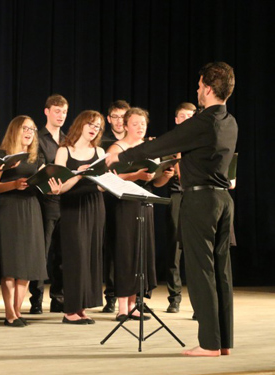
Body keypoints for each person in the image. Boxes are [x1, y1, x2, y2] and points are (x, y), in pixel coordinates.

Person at [106, 62, 237, 357]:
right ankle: (223, 341)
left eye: (199, 84)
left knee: (202, 271)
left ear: (207, 87)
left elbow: (161, 144)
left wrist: (121, 158)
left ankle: (209, 344)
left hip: (201, 201)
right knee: (221, 272)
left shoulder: (203, 121)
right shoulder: (230, 121)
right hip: (223, 201)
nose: (197, 89)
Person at [106, 107, 173, 322]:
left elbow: (155, 182)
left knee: (141, 251)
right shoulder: (116, 148)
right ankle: (122, 306)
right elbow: (110, 178)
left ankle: (135, 303)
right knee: (126, 253)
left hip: (145, 202)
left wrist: (166, 175)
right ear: (125, 126)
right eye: (135, 124)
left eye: (142, 124)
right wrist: (135, 175)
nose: (139, 128)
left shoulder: (149, 148)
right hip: (124, 204)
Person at [48, 110, 106, 324]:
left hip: (94, 206)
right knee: (75, 257)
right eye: (91, 124)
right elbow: (59, 188)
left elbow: (100, 187)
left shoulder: (99, 151)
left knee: (90, 256)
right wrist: (80, 173)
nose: (94, 129)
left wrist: (106, 181)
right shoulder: (64, 150)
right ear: (81, 124)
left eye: (98, 126)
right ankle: (69, 309)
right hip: (72, 207)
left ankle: (82, 307)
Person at [0, 115, 47, 327]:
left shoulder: (36, 157)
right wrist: (13, 184)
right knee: (12, 263)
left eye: (32, 129)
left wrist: (51, 185)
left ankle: (18, 310)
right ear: (15, 130)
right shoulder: (3, 155)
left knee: (27, 263)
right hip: (10, 208)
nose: (29, 132)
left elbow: (43, 182)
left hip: (31, 208)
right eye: (25, 128)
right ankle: (9, 313)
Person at [29, 94, 68, 314]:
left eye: (64, 112)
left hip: (65, 199)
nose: (61, 116)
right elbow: (38, 167)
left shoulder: (67, 138)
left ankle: (58, 297)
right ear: (47, 112)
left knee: (62, 253)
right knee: (41, 251)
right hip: (44, 201)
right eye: (57, 111)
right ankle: (36, 298)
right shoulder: (38, 137)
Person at [165, 102, 196, 314]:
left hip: (197, 194)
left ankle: (198, 302)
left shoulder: (201, 139)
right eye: (182, 116)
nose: (186, 119)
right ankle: (174, 297)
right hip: (177, 194)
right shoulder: (172, 141)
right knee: (174, 249)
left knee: (197, 249)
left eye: (190, 116)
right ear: (177, 120)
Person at [101, 99, 131, 313]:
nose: (119, 121)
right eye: (116, 116)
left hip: (130, 199)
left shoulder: (136, 142)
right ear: (109, 118)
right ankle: (111, 295)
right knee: (110, 248)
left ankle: (132, 297)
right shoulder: (103, 142)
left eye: (123, 117)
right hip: (109, 199)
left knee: (130, 249)